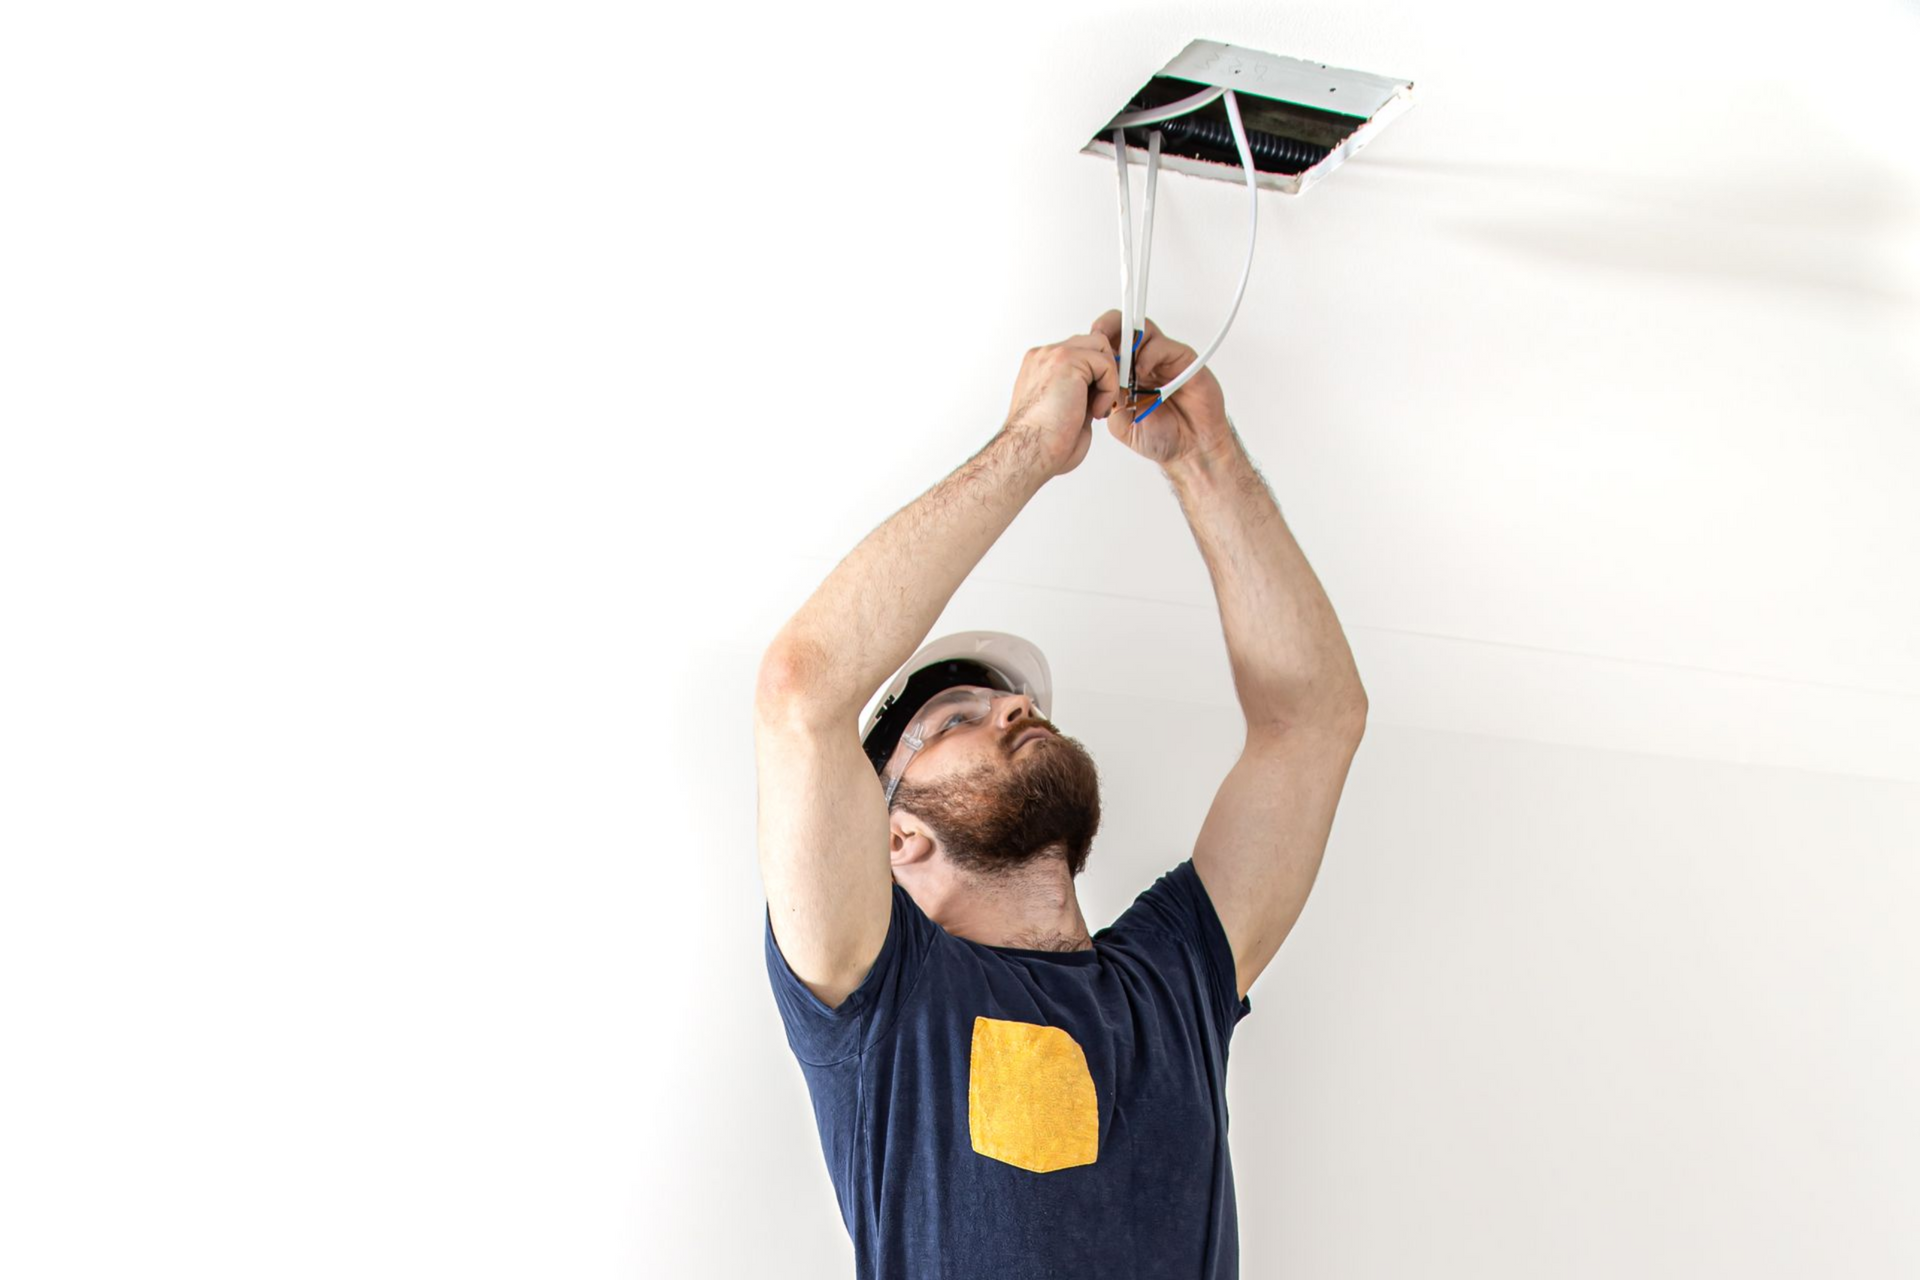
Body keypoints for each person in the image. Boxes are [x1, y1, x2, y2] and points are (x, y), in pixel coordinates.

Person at [753, 311, 1368, 1278]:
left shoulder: (1175, 980)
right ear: (894, 836)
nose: (1013, 710)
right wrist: (1030, 449)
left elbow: (1313, 723)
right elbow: (802, 694)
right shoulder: (881, 1000)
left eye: (1016, 699)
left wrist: (1205, 461)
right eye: (958, 716)